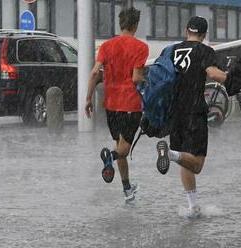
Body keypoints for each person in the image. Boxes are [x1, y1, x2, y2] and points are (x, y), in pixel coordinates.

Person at [155, 16, 241, 218]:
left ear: (186, 30)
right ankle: (170, 154)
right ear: (203, 34)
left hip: (174, 112)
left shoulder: (172, 50)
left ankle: (192, 207)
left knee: (186, 157)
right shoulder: (204, 51)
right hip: (194, 111)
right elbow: (214, 74)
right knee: (197, 164)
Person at [85, 7, 149, 203]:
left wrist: (88, 99)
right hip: (130, 104)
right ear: (135, 25)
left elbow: (95, 72)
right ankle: (108, 158)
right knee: (122, 151)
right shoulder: (140, 47)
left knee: (120, 146)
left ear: (120, 23)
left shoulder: (106, 46)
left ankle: (127, 189)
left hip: (111, 105)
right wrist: (148, 81)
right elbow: (137, 78)